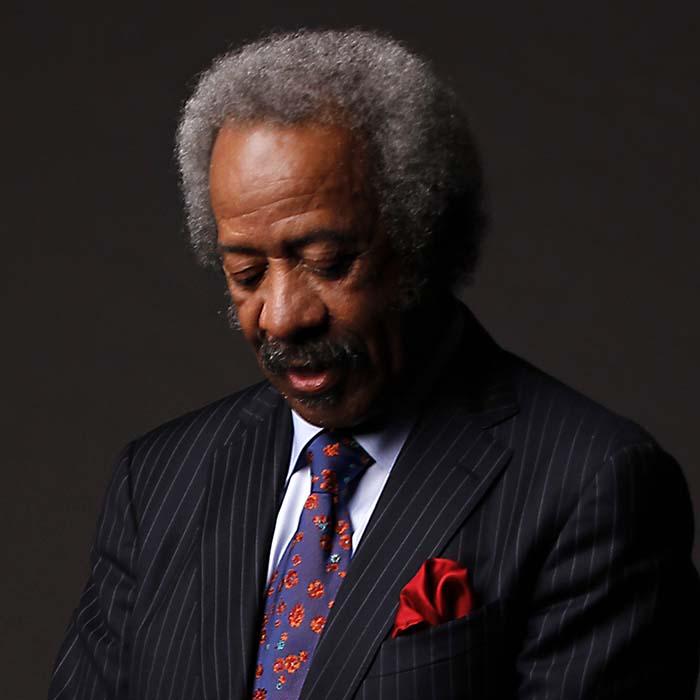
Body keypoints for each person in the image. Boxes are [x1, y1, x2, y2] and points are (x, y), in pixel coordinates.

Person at [49, 29, 699, 700]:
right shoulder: (156, 480)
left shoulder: (592, 485)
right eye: (245, 273)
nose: (282, 316)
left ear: (424, 239)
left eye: (329, 264)